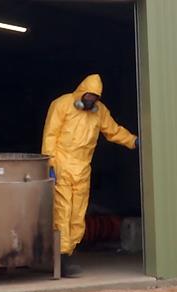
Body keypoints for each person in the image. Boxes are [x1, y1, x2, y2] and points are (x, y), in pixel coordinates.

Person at [42, 74, 138, 277]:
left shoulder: (99, 112)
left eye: (95, 97)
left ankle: (69, 251)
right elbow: (50, 135)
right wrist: (50, 165)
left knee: (78, 215)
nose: (91, 100)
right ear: (81, 92)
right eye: (89, 96)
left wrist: (133, 141)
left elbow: (113, 130)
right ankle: (61, 257)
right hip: (62, 166)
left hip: (83, 168)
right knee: (62, 211)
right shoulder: (62, 105)